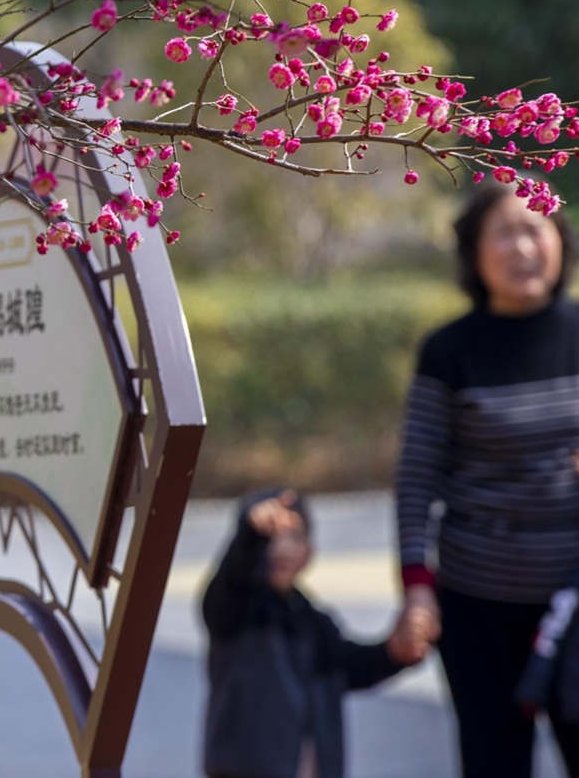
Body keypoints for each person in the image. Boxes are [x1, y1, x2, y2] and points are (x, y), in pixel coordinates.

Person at [394, 180, 579, 778]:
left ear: (560, 242)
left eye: (536, 229)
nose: (523, 246)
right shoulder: (450, 351)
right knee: (493, 764)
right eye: (505, 231)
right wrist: (417, 584)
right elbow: (417, 477)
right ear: (474, 253)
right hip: (480, 606)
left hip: (576, 598)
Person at [201, 487, 422, 778]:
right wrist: (251, 532)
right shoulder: (236, 612)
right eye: (269, 536)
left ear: (309, 550)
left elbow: (348, 667)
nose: (280, 547)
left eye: (293, 536)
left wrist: (395, 652)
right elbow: (233, 580)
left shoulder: (312, 620)